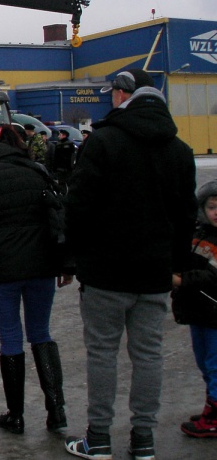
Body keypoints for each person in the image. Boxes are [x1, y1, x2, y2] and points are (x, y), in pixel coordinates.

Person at [64, 69, 196, 460]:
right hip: (155, 273)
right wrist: (176, 266)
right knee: (149, 355)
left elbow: (79, 206)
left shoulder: (103, 141)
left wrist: (74, 259)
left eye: (114, 93)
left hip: (105, 271)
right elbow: (186, 216)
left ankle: (99, 438)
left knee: (102, 354)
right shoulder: (180, 151)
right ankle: (143, 441)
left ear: (123, 96)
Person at [0, 125, 71, 436]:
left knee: (10, 337)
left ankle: (16, 414)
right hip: (41, 261)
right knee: (41, 333)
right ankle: (56, 410)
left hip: (3, 263)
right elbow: (58, 216)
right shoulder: (37, 171)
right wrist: (65, 262)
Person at [172, 180, 217, 438]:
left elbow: (211, 277)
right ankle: (212, 407)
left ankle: (214, 415)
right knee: (203, 361)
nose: (216, 212)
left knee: (214, 364)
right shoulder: (198, 233)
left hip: (214, 314)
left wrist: (180, 280)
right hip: (198, 312)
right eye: (211, 206)